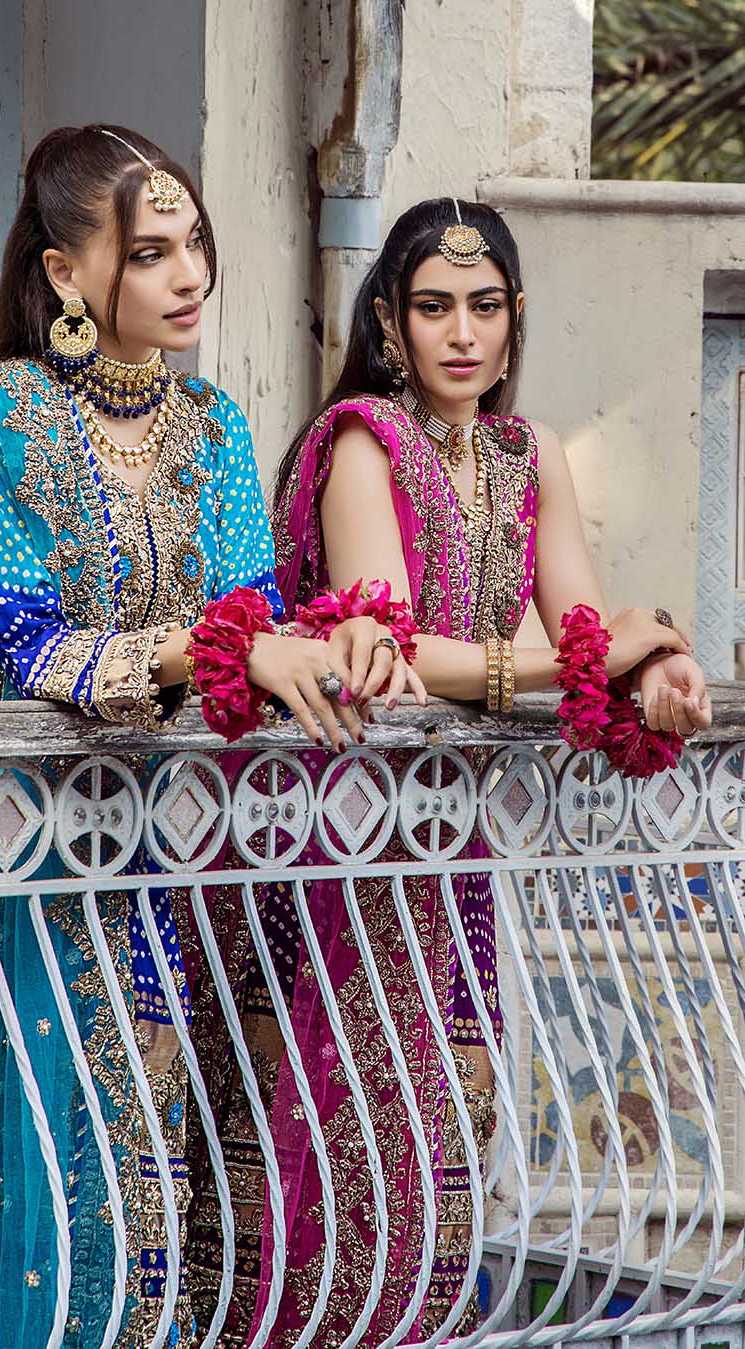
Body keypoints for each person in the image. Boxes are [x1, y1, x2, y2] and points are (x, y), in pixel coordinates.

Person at [0, 124, 410, 1347]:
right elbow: (36, 644)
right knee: (25, 1193)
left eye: (193, 242)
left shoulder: (213, 424)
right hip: (6, 859)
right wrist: (224, 647)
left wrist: (342, 636)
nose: (189, 273)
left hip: (150, 853)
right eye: (149, 253)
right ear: (65, 273)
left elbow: (259, 620)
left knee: (144, 1178)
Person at [265, 196, 712, 1342]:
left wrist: (657, 659)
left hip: (454, 834)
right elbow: (389, 651)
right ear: (389, 320)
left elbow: (586, 628)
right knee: (352, 1122)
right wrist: (579, 660)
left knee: (448, 1119)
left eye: (484, 306)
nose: (461, 333)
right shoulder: (362, 442)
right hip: (348, 822)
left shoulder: (528, 452)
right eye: (433, 308)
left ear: (516, 318)